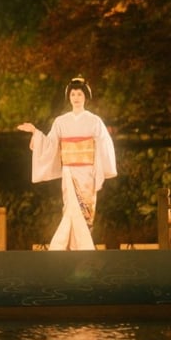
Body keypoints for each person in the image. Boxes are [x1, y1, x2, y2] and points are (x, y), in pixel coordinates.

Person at [17, 76, 117, 250]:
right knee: (70, 208)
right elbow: (50, 144)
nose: (76, 98)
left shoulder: (95, 120)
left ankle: (81, 248)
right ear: (69, 98)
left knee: (86, 211)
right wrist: (35, 132)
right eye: (73, 94)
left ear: (86, 96)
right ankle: (68, 247)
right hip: (69, 171)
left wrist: (98, 168)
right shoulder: (60, 121)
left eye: (79, 94)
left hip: (87, 171)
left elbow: (104, 144)